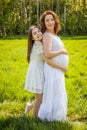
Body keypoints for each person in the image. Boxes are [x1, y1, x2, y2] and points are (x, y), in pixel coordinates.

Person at [24, 26, 68, 117]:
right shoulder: (38, 45)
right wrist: (61, 64)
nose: (38, 34)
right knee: (40, 99)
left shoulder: (39, 42)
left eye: (38, 31)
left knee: (42, 97)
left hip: (39, 72)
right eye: (35, 34)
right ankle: (35, 120)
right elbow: (47, 59)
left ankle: (29, 106)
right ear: (32, 38)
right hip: (36, 74)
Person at [38, 10, 69, 121]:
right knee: (52, 92)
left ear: (55, 21)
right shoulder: (47, 35)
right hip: (52, 68)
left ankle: (56, 116)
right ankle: (49, 117)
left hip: (56, 68)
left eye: (52, 19)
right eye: (47, 20)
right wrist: (61, 51)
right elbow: (47, 54)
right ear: (44, 23)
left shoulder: (53, 34)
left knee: (57, 91)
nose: (50, 22)